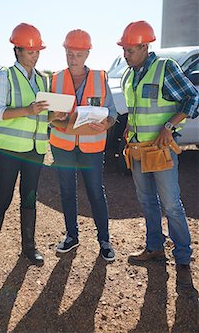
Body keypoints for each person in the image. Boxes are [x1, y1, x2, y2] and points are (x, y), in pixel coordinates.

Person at [117, 20, 199, 287]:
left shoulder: (166, 68)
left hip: (162, 150)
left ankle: (183, 257)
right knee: (147, 201)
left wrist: (169, 125)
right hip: (139, 149)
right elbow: (135, 110)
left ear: (144, 46)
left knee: (171, 204)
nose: (125, 55)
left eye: (130, 50)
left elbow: (193, 99)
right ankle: (154, 247)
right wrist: (129, 132)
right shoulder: (130, 75)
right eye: (124, 50)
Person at [0, 23, 63, 275]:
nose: (35, 55)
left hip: (35, 149)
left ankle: (29, 247)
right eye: (30, 51)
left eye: (37, 51)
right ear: (17, 51)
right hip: (9, 151)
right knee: (2, 198)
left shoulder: (41, 79)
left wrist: (54, 116)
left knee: (29, 197)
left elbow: (41, 118)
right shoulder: (5, 76)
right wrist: (28, 109)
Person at [49, 29, 117, 262]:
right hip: (63, 146)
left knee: (96, 193)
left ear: (87, 54)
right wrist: (54, 116)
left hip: (92, 148)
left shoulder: (100, 78)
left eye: (78, 54)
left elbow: (113, 113)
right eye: (69, 53)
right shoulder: (55, 79)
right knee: (67, 192)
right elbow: (48, 116)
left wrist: (107, 123)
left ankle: (105, 241)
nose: (73, 59)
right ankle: (71, 236)